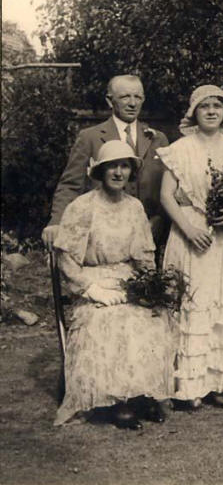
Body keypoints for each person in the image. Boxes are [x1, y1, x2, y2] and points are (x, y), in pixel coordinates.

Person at [53, 140, 176, 428]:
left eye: (124, 166)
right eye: (112, 166)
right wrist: (91, 289)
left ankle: (143, 394)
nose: (118, 173)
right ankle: (117, 401)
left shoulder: (134, 207)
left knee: (150, 317)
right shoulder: (81, 207)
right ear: (100, 171)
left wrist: (149, 288)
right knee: (110, 319)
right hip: (93, 280)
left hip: (127, 279)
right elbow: (67, 260)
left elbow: (145, 256)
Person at [158, 85, 223, 408]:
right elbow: (165, 195)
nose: (212, 111)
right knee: (196, 300)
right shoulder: (180, 148)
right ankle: (189, 384)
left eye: (218, 107)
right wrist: (188, 228)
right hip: (192, 232)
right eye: (205, 107)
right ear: (194, 113)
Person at [43, 75, 169, 250]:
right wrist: (56, 222)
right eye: (125, 97)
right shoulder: (90, 137)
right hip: (102, 233)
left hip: (147, 233)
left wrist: (160, 219)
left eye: (138, 97)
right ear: (110, 101)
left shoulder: (158, 139)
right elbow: (71, 185)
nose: (133, 103)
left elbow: (169, 187)